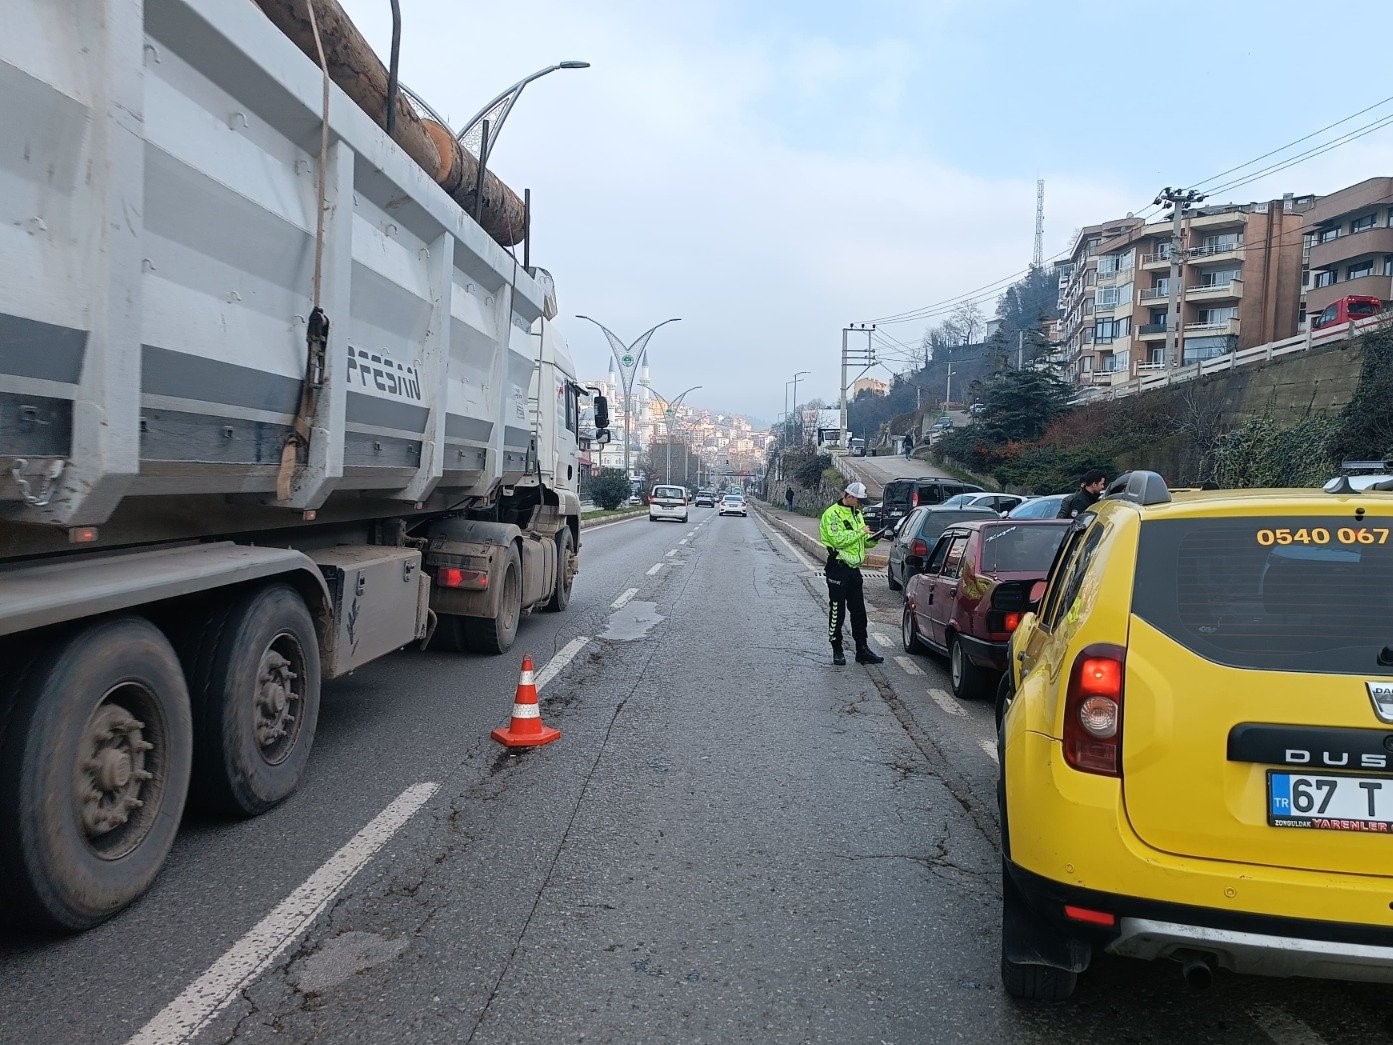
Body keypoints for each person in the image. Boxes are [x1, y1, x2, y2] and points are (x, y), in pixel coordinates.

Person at [819, 482, 885, 666]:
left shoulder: (857, 514)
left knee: (859, 611)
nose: (861, 504)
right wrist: (859, 532)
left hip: (854, 569)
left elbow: (861, 542)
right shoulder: (832, 514)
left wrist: (874, 539)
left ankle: (862, 649)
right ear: (849, 496)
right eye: (859, 500)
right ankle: (837, 649)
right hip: (838, 567)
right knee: (837, 611)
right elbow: (837, 540)